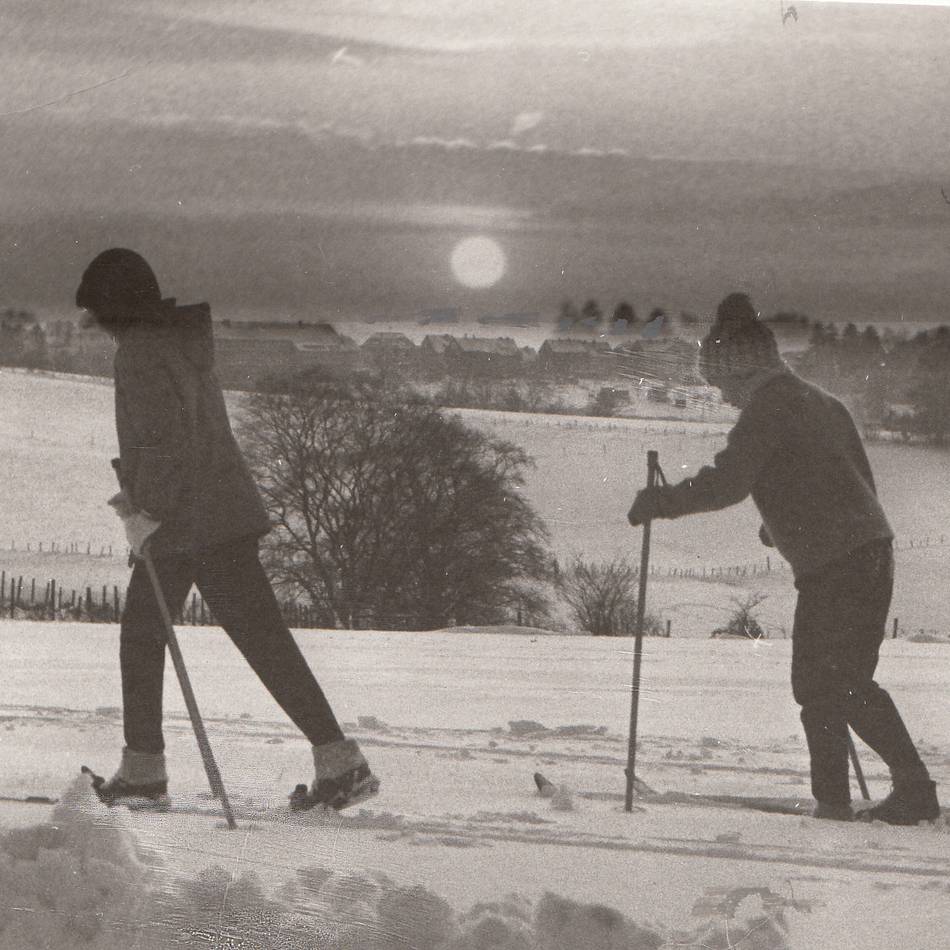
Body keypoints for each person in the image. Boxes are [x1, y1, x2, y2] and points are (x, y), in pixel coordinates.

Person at [75, 248, 379, 811]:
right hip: (221, 511)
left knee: (142, 639)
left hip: (185, 522)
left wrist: (147, 513)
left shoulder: (139, 354)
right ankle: (340, 760)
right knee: (264, 639)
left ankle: (144, 771)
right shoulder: (178, 342)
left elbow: (164, 444)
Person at [627, 292, 939, 825]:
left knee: (820, 685)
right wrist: (784, 526)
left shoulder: (766, 408)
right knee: (847, 682)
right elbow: (847, 478)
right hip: (870, 553)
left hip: (836, 565)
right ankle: (904, 789)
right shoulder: (818, 400)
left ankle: (842, 805)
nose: (723, 397)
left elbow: (727, 482)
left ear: (741, 370)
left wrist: (663, 501)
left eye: (722, 384)